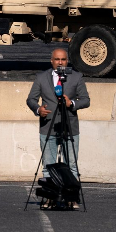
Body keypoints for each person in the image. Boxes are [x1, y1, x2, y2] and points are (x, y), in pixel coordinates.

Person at [27, 47, 90, 190]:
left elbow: (86, 100)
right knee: (48, 166)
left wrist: (72, 103)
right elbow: (31, 99)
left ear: (67, 61)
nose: (60, 62)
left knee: (71, 165)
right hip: (48, 126)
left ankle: (71, 197)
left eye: (63, 59)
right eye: (57, 59)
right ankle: (50, 196)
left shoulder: (76, 77)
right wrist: (38, 109)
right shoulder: (41, 77)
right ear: (51, 61)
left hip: (70, 126)